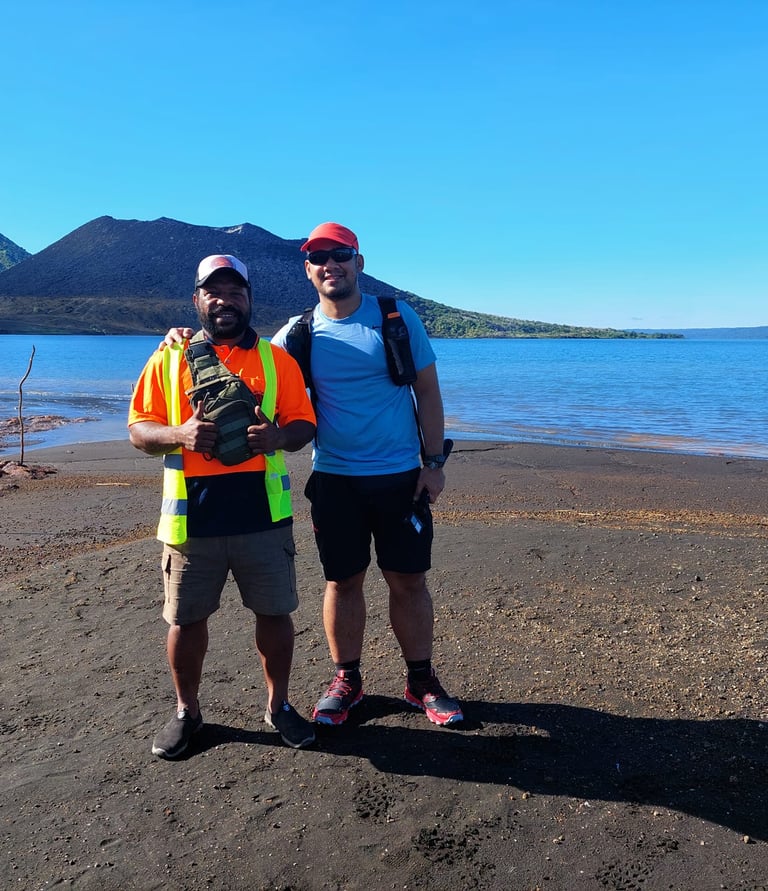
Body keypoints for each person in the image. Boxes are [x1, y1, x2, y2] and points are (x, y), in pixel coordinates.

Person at [165, 224, 463, 728]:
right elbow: (242, 352)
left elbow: (428, 393)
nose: (330, 265)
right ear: (307, 270)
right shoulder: (297, 333)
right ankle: (347, 680)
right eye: (319, 258)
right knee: (342, 582)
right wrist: (184, 337)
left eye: (339, 254)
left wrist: (433, 464)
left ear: (358, 262)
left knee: (409, 581)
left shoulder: (395, 317)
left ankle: (421, 681)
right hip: (334, 479)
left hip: (400, 476)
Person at [129, 254, 317, 759]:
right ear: (197, 300)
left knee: (275, 615)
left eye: (236, 292)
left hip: (263, 517)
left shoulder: (277, 361)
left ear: (249, 299)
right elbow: (139, 430)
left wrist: (278, 437)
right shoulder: (169, 358)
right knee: (185, 622)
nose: (225, 301)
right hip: (192, 521)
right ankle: (187, 712)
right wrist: (180, 433)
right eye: (214, 292)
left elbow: (304, 424)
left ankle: (279, 706)